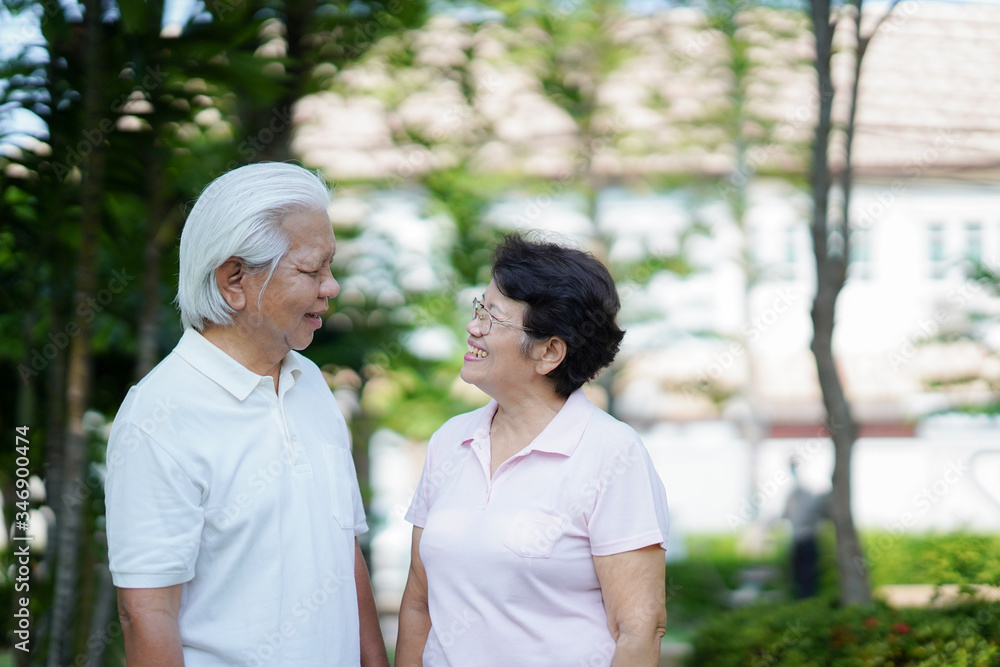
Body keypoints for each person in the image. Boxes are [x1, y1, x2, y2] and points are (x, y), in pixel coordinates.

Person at [104, 162, 388, 666]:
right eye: (311, 270)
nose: (332, 286)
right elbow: (146, 613)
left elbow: (347, 555)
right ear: (234, 279)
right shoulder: (159, 414)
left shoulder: (313, 386)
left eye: (331, 266)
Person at [395, 233, 670, 667]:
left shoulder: (612, 453)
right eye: (479, 307)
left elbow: (639, 627)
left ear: (549, 351)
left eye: (494, 318)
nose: (474, 326)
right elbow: (417, 599)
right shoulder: (450, 439)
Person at [782, 457, 830, 599]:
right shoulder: (794, 494)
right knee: (799, 576)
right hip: (798, 540)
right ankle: (802, 601)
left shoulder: (806, 493)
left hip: (807, 540)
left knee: (807, 576)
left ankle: (806, 601)